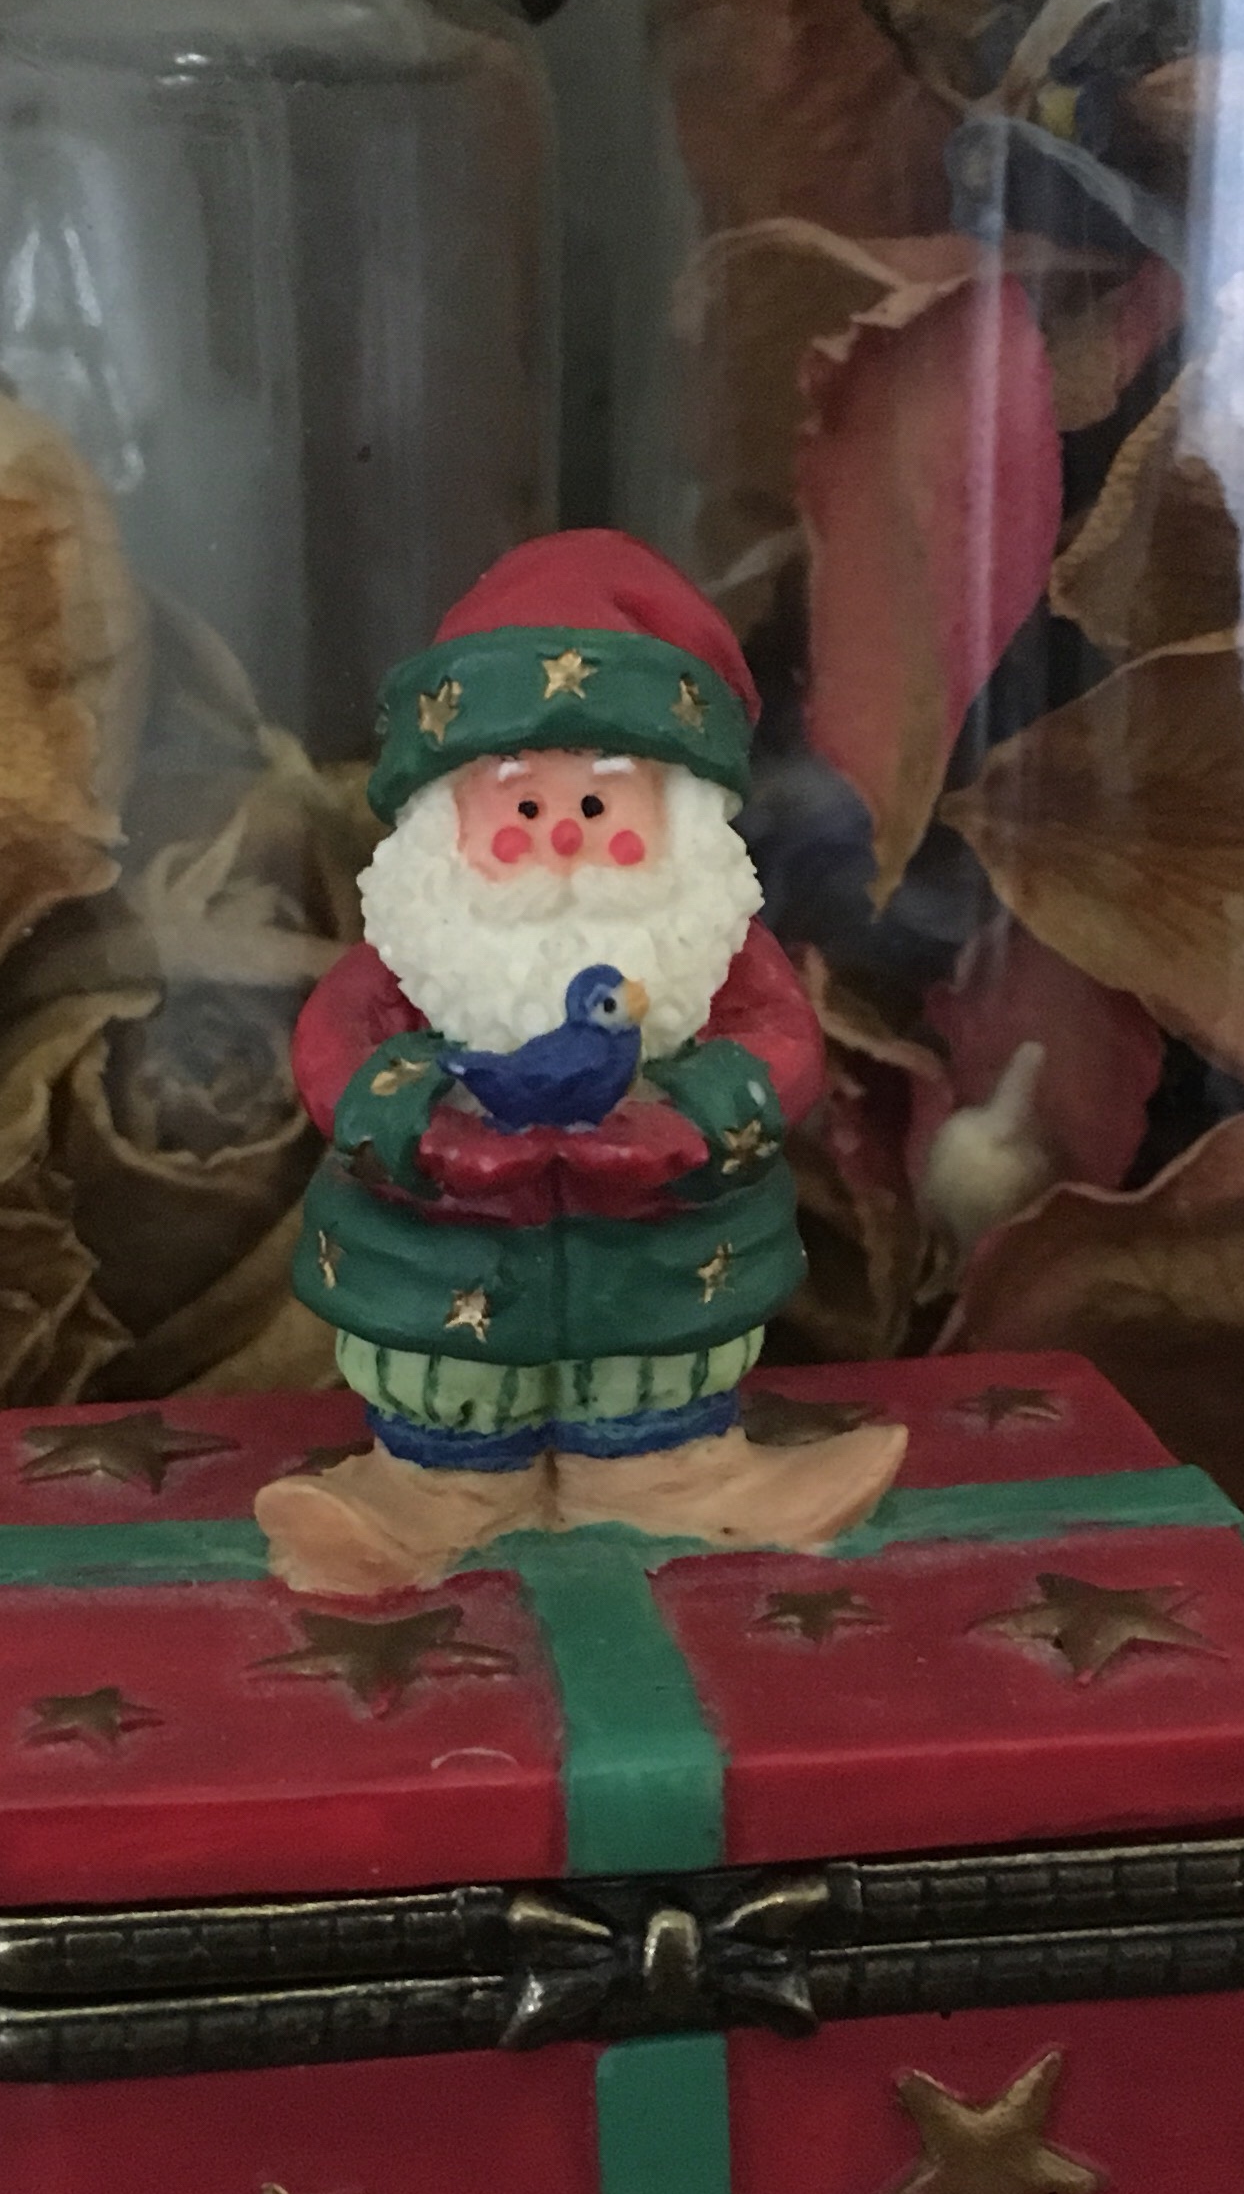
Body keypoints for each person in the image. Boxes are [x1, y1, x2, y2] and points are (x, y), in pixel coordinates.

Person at [255, 532, 908, 1594]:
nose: (561, 837)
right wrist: (418, 1123)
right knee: (448, 1381)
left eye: (599, 806)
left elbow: (778, 1043)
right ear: (445, 821)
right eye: (522, 806)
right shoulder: (416, 951)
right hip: (446, 1252)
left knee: (659, 1362)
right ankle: (434, 1490)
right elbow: (338, 1046)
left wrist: (695, 1118)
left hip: (663, 1245)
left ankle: (673, 1475)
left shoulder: (712, 953)